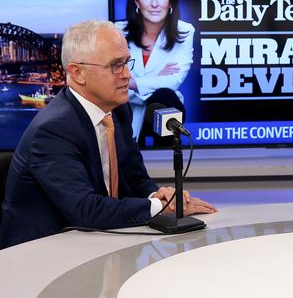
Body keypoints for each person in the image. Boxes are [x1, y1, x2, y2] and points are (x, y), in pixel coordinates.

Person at [0, 20, 216, 249]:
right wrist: (159, 207)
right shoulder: (53, 130)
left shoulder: (118, 109)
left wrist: (158, 196)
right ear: (77, 72)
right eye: (115, 65)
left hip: (98, 243)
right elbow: (86, 210)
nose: (127, 74)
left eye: (126, 62)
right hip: (40, 256)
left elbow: (135, 179)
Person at [115, 0, 194, 147]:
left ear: (170, 1)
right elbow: (111, 83)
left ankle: (169, 164)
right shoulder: (117, 32)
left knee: (165, 96)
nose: (155, 3)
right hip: (127, 110)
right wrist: (158, 78)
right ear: (136, 0)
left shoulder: (185, 31)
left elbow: (174, 81)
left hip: (164, 108)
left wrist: (135, 83)